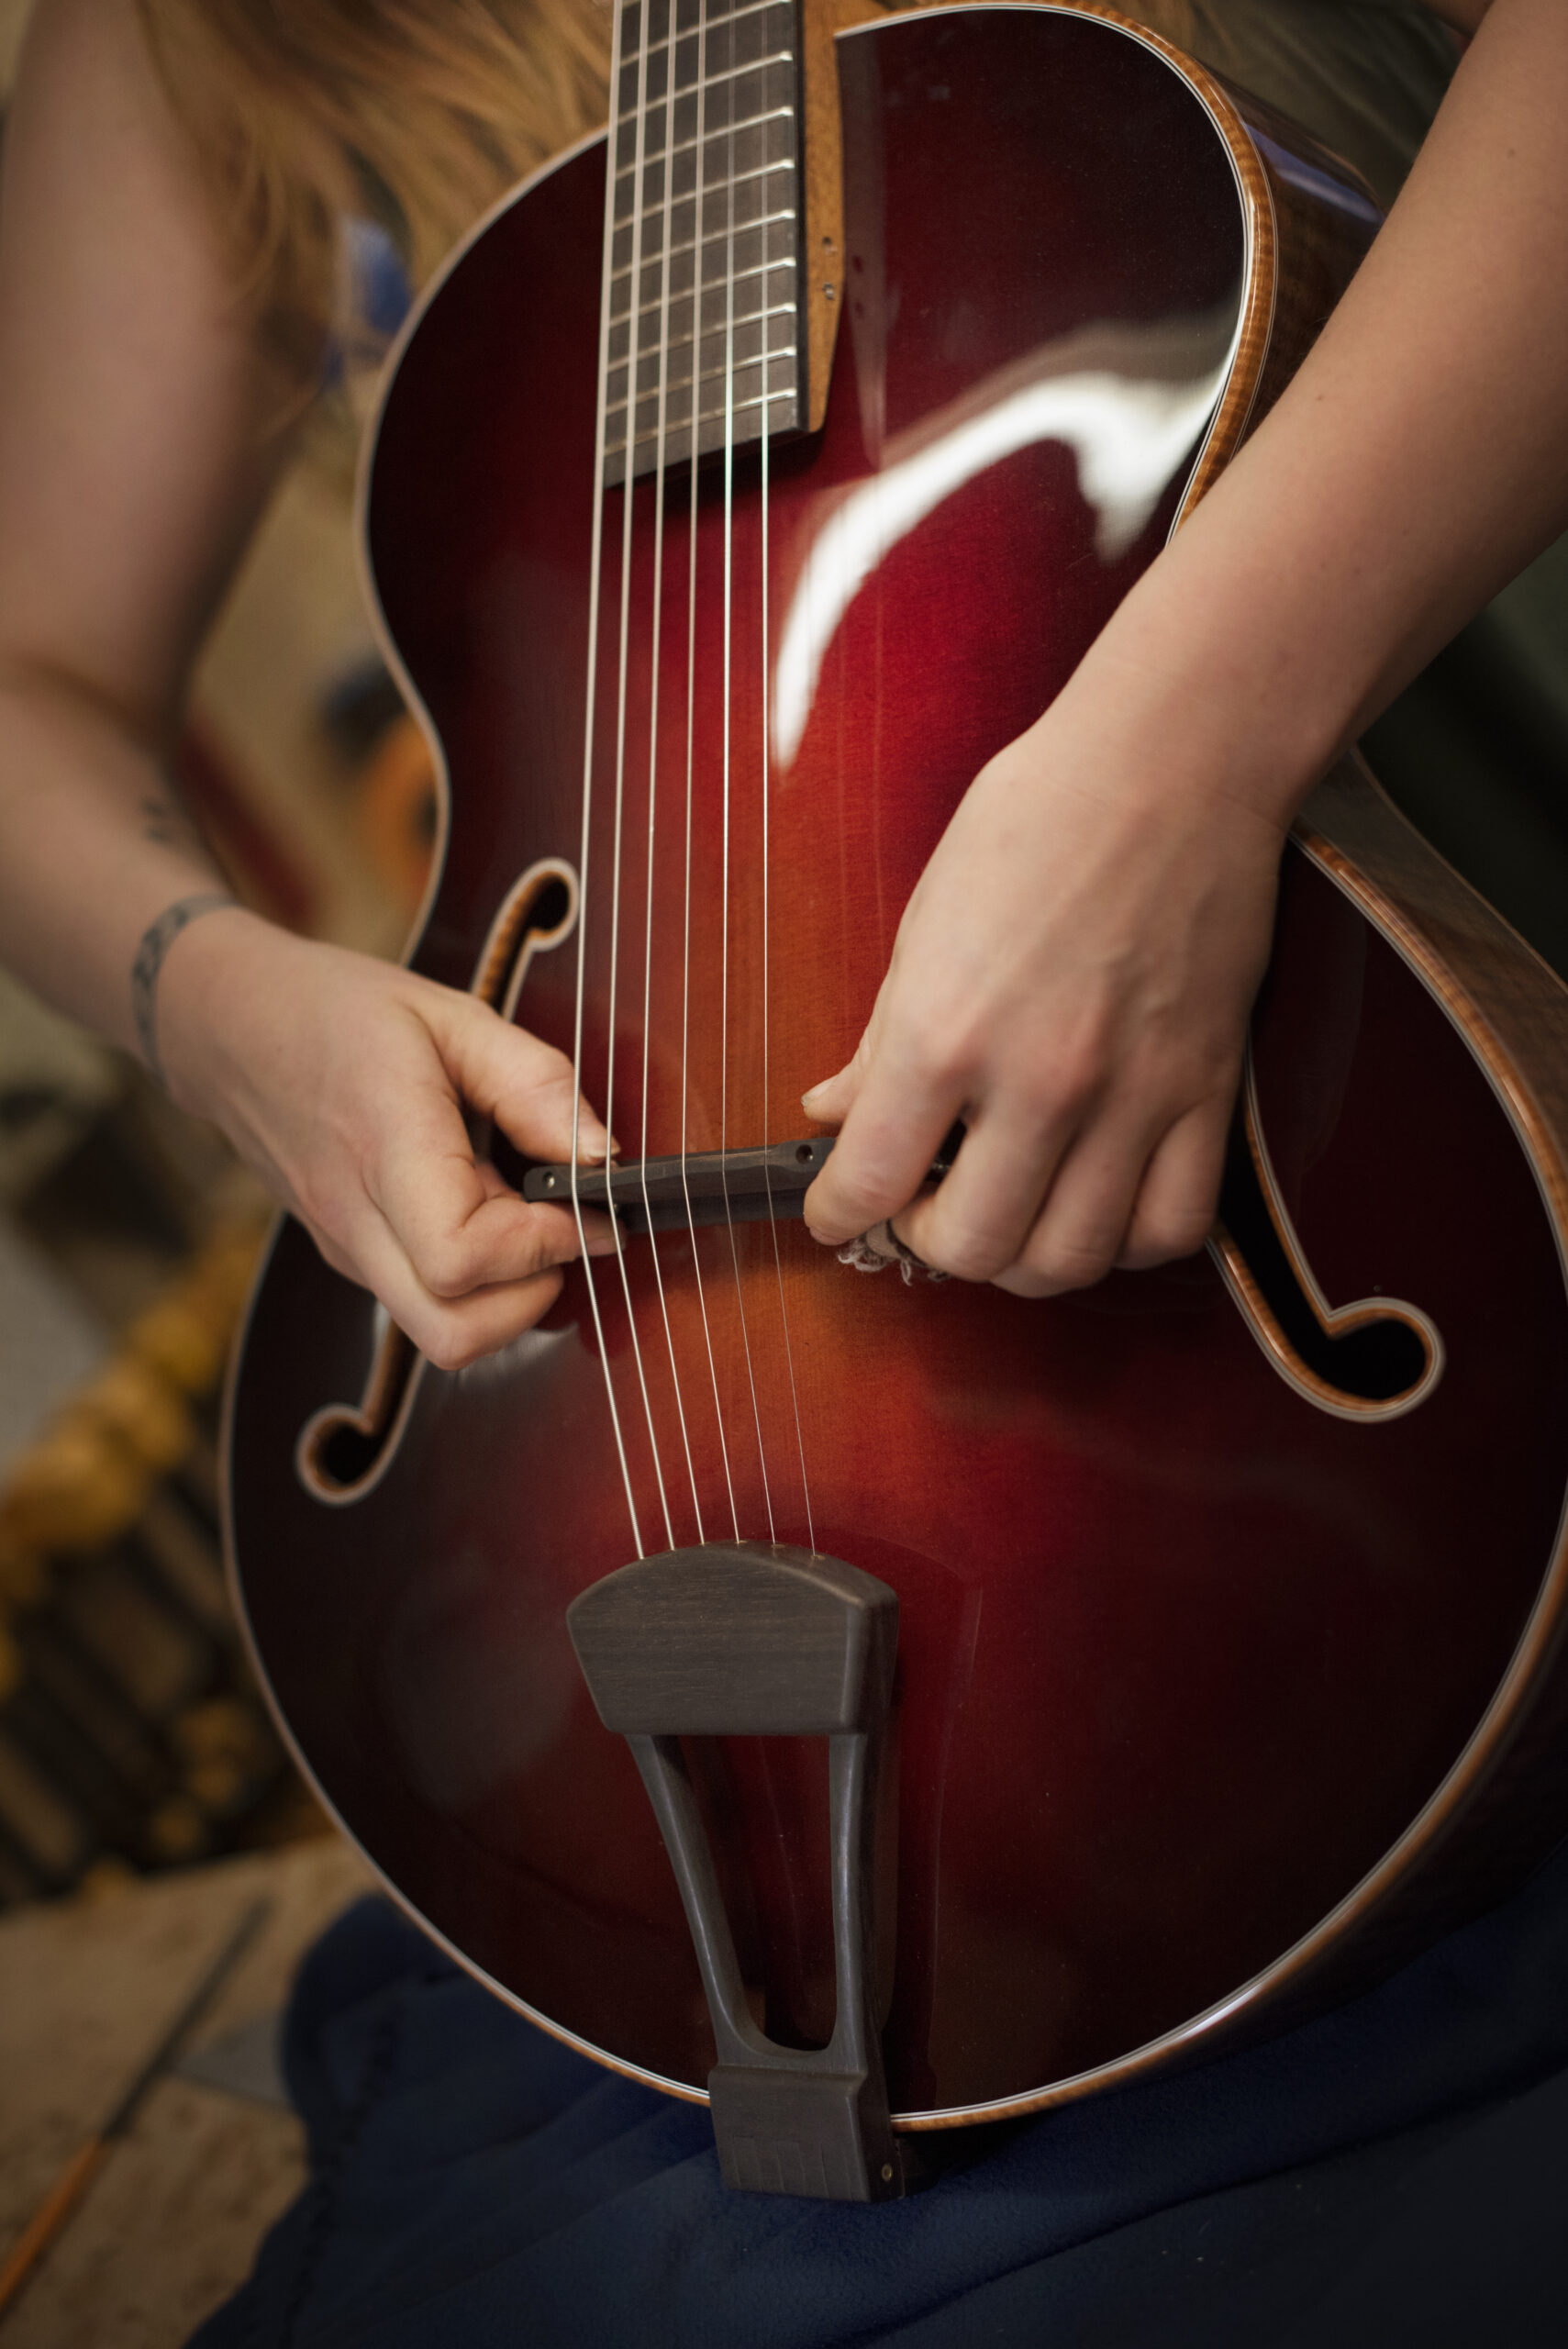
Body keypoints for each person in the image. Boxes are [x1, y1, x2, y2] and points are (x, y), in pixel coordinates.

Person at [3, 0, 1568, 2340]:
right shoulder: (191, 36)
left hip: (1355, 1053)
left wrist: (1177, 751)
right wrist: (226, 1004)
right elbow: (23, 668)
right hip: (617, 1351)